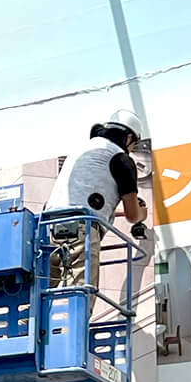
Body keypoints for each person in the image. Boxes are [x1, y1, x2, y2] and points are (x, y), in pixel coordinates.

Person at [46, 110, 151, 286]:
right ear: (128, 138)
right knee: (80, 295)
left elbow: (84, 198)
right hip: (81, 230)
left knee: (45, 293)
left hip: (49, 228)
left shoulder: (83, 151)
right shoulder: (121, 159)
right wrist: (143, 214)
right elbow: (132, 215)